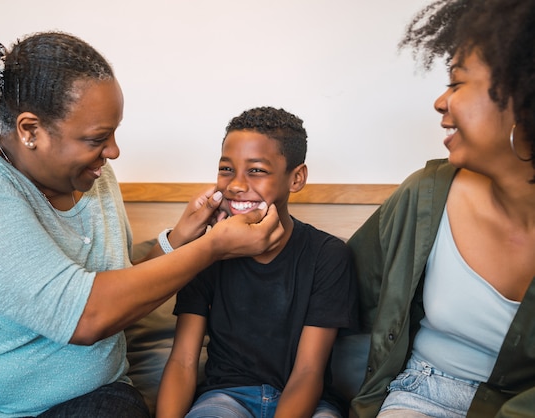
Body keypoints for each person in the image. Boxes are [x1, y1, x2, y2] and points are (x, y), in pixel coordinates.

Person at [0, 32, 285, 418]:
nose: (114, 151)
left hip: (90, 401)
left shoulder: (95, 178)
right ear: (29, 130)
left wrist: (179, 240)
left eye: (114, 133)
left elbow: (116, 288)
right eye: (97, 138)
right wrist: (213, 248)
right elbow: (85, 315)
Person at [347, 0, 535, 417]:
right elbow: (336, 288)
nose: (439, 102)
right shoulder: (423, 197)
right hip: (418, 396)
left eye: (456, 83)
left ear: (523, 100)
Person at [156, 106, 359, 418]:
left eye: (257, 170)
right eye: (226, 169)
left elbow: (308, 372)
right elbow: (183, 360)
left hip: (308, 403)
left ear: (297, 178)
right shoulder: (205, 252)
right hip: (224, 399)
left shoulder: (328, 255)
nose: (236, 185)